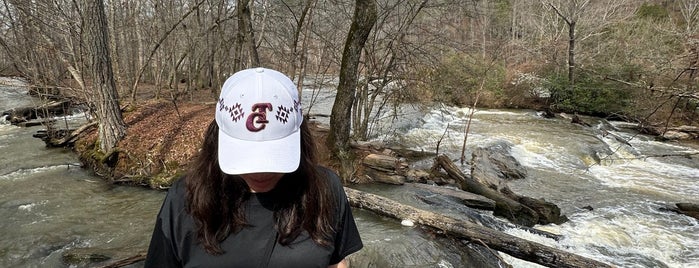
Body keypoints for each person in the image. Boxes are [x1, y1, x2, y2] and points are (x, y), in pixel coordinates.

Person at [145, 67, 363, 268]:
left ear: (299, 138)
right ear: (218, 138)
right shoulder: (184, 200)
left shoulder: (324, 190)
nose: (261, 173)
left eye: (274, 157)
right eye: (246, 156)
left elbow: (336, 263)